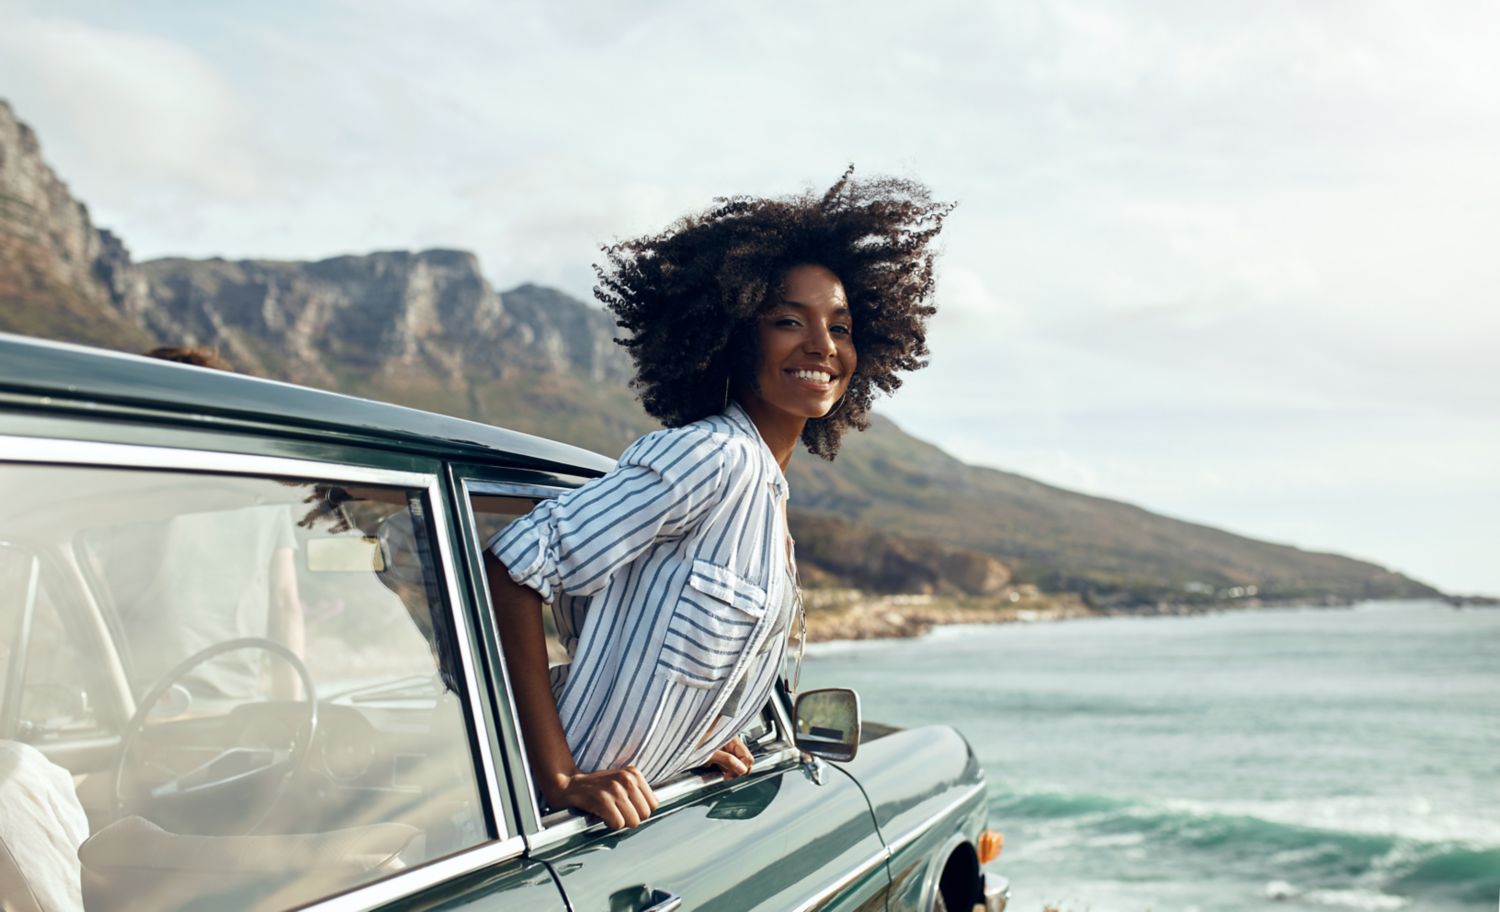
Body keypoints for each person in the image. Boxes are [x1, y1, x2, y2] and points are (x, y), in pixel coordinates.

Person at [483, 169, 951, 829]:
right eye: (788, 320)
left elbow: (652, 638)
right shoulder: (714, 457)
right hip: (549, 832)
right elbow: (512, 566)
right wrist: (559, 776)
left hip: (624, 824)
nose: (821, 344)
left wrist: (699, 735)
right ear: (734, 333)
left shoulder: (765, 491)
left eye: (841, 328)